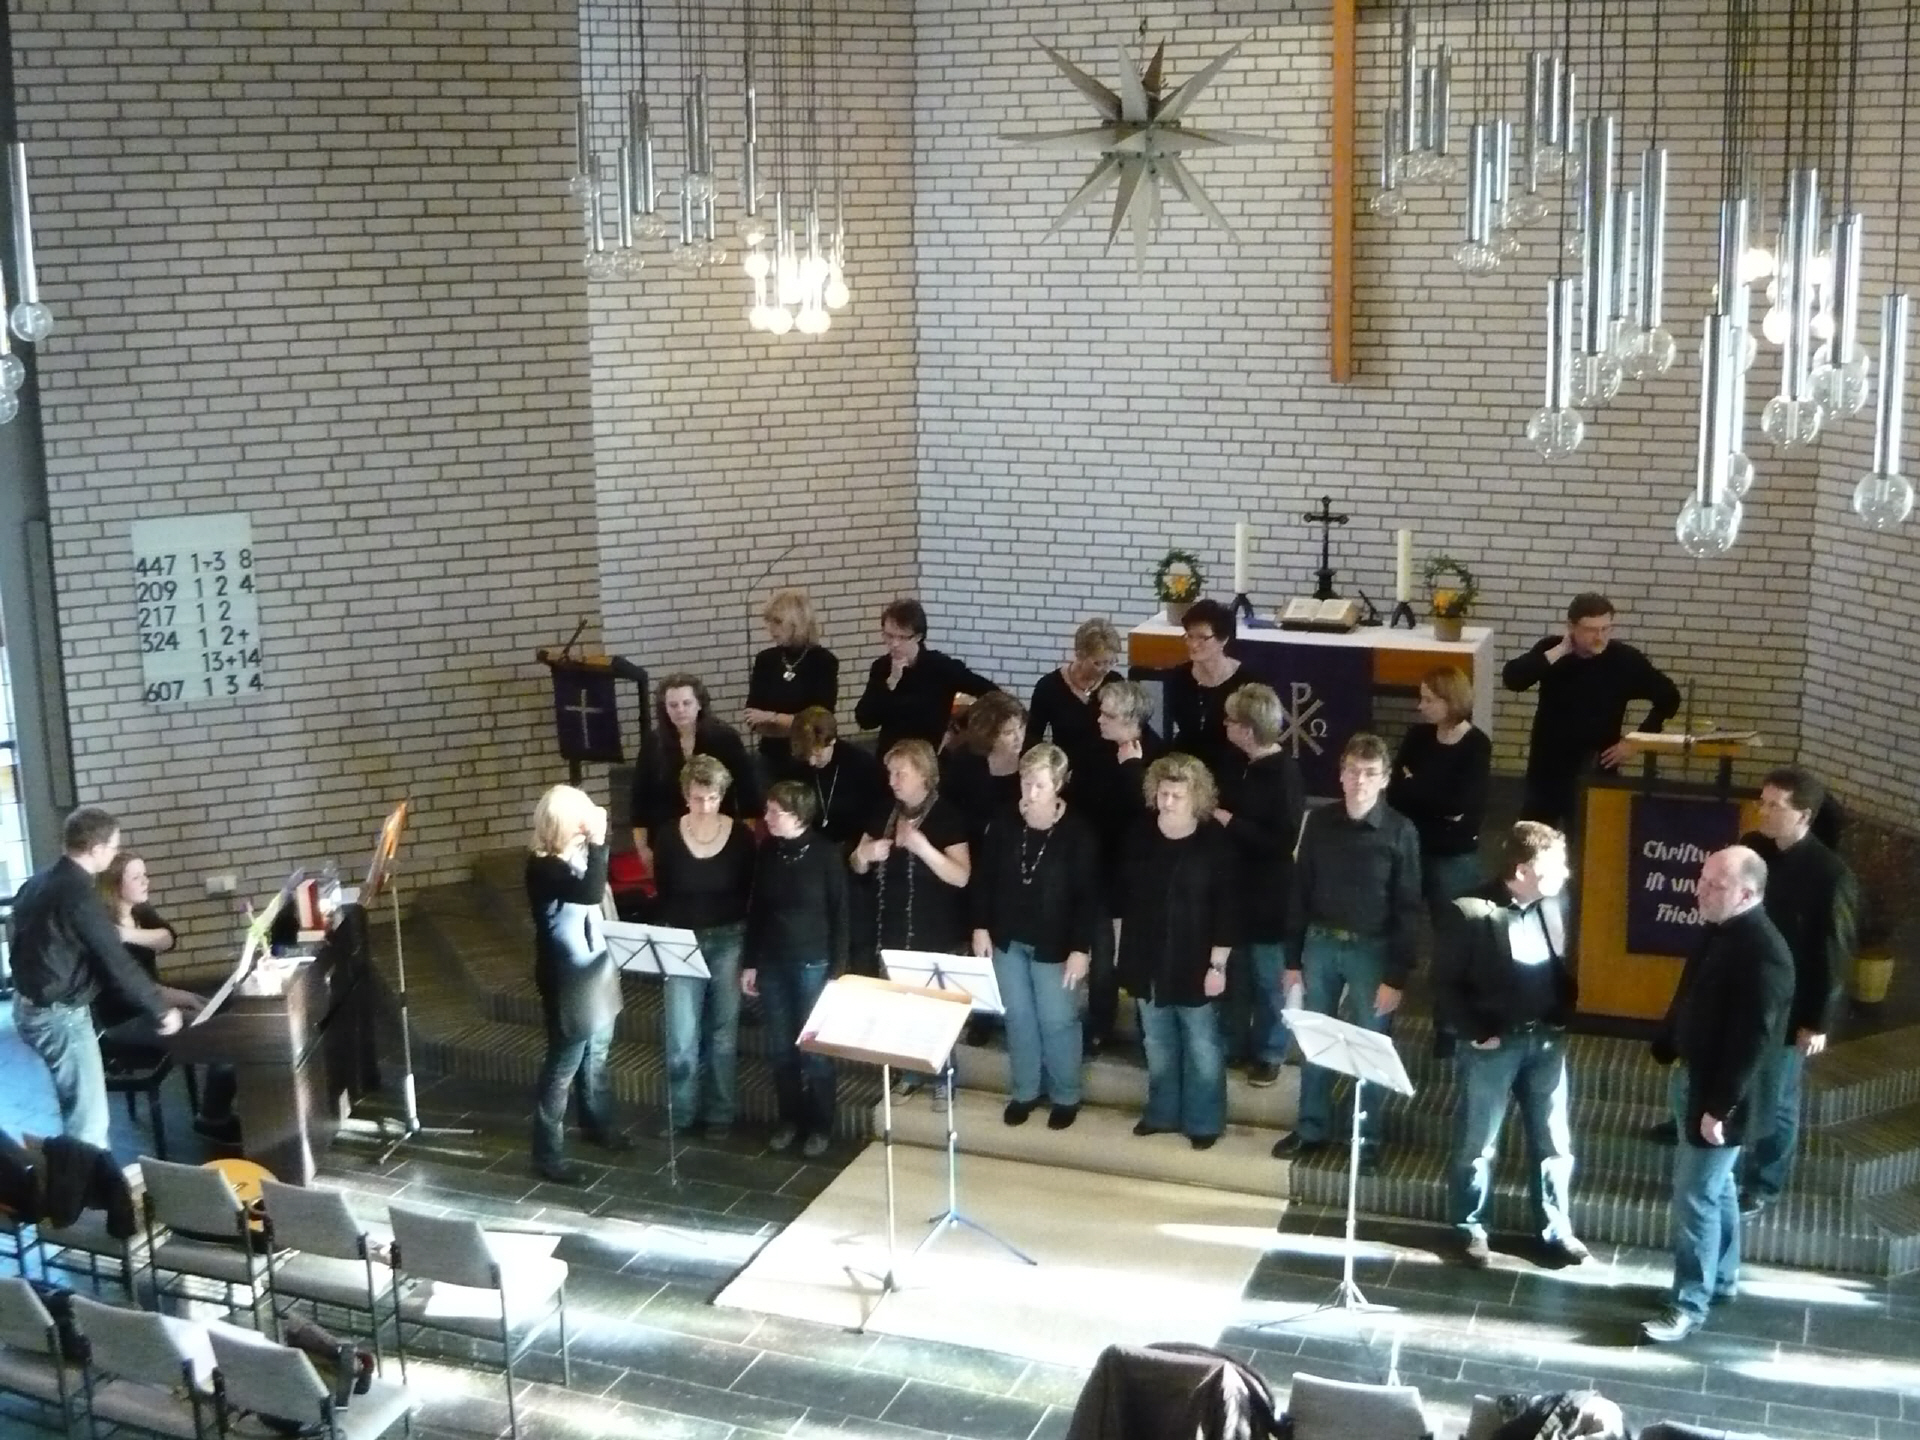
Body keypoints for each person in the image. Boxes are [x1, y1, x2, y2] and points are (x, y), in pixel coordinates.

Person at [1641, 846, 1794, 1344]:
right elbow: (1691, 993)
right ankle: (1721, 1277)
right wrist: (1670, 1039)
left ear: (1747, 894)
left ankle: (1689, 1303)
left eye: (1715, 885)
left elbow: (1752, 1042)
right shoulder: (1719, 928)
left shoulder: (1766, 953)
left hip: (1722, 1098)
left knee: (1696, 1197)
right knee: (1717, 1188)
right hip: (1696, 1078)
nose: (1700, 891)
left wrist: (1719, 1108)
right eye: (1701, 880)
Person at [1437, 822, 1589, 1269]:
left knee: (1554, 1142)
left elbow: (1564, 966)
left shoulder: (1555, 906)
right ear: (1522, 870)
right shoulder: (1470, 912)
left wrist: (1563, 1013)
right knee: (1478, 1142)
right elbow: (1444, 984)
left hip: (1545, 1041)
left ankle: (1556, 1230)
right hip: (1493, 1044)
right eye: (1554, 865)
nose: (1565, 873)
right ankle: (1470, 1227)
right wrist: (1475, 1031)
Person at [1274, 733, 1422, 1168]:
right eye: (1353, 771)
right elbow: (1299, 891)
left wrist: (1396, 976)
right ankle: (1310, 1128)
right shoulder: (1319, 823)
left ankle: (1366, 1140)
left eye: (1370, 773)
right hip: (1320, 944)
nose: (1360, 781)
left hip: (1371, 951)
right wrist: (1292, 960)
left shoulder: (1400, 831)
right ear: (1340, 775)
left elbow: (1409, 908)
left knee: (1371, 1046)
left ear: (1385, 779)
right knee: (1316, 1041)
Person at [10, 808, 181, 1150]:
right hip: (60, 1015)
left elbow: (18, 941)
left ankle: (77, 1175)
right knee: (90, 1124)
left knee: (78, 1109)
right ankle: (84, 1183)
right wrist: (160, 1009)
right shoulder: (79, 894)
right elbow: (115, 960)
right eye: (113, 847)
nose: (114, 854)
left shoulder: (38, 883)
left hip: (26, 1006)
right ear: (97, 849)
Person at [1737, 767, 1857, 1217]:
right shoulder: (1753, 848)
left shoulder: (1831, 875)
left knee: (1778, 1097)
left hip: (1790, 1006)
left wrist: (1816, 1022)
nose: (1762, 811)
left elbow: (1833, 955)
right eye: (1762, 801)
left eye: (1774, 805)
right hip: (1744, 990)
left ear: (1803, 815)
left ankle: (1764, 1183)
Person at [971, 743, 1100, 1130]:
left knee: (1057, 1020)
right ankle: (1025, 1091)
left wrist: (1080, 948)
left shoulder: (1078, 832)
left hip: (1056, 944)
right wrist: (980, 926)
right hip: (1008, 938)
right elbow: (985, 878)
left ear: (1058, 785)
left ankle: (1065, 1095)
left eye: (1039, 785)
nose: (1030, 792)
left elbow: (1087, 897)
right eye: (1025, 783)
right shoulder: (1005, 822)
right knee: (1018, 1019)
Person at [1117, 753, 1239, 1150]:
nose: (1167, 802)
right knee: (1157, 1041)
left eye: (1177, 796)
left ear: (1196, 797)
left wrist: (1218, 965)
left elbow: (1228, 907)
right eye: (1163, 793)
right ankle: (1162, 1112)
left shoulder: (1214, 840)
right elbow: (1125, 895)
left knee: (1202, 1044)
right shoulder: (1140, 833)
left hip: (1196, 958)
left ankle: (1204, 1121)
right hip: (1147, 954)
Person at [1502, 593, 1681, 828]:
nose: (1600, 637)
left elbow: (1669, 697)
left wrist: (1635, 742)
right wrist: (1559, 651)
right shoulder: (1551, 650)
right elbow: (1513, 679)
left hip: (1597, 766)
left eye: (1606, 629)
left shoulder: (1624, 660)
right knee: (1533, 838)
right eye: (1590, 630)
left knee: (1591, 837)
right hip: (1548, 767)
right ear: (1571, 627)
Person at [93, 854, 239, 1141]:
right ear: (115, 885)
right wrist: (181, 998)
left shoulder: (139, 912)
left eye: (144, 874)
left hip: (151, 1003)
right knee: (224, 1039)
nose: (146, 881)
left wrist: (126, 934)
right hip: (125, 1019)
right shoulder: (101, 927)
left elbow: (168, 938)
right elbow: (129, 992)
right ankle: (212, 1118)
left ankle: (217, 1108)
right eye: (136, 877)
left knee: (223, 1017)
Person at [525, 785, 626, 1184]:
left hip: (595, 968)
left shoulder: (576, 854)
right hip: (567, 977)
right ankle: (547, 1154)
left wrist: (595, 843)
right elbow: (588, 892)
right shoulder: (544, 866)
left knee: (597, 1052)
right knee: (563, 1065)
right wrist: (599, 842)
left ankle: (596, 1123)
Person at [652, 755, 757, 1137]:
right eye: (698, 798)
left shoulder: (741, 836)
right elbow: (663, 889)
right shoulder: (668, 835)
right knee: (681, 1036)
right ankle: (680, 1114)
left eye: (713, 798)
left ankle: (720, 1115)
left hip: (729, 938)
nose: (706, 806)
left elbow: (750, 891)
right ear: (686, 796)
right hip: (681, 940)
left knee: (723, 1034)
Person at [743, 781, 848, 1159]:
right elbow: (757, 910)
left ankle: (821, 1125)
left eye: (776, 812)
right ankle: (790, 1120)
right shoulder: (768, 851)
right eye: (768, 810)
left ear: (799, 815)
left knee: (814, 1050)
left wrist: (838, 971)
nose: (767, 817)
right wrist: (750, 962)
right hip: (772, 962)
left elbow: (840, 913)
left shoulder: (826, 854)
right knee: (780, 1049)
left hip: (813, 963)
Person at [1215, 684, 1305, 1088]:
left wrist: (1230, 822)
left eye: (1231, 720)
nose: (1225, 725)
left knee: (1269, 981)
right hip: (1236, 888)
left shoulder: (1283, 773)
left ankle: (1270, 1052)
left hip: (1269, 893)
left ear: (1249, 729)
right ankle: (1234, 1044)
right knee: (1236, 976)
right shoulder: (1240, 762)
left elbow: (1282, 840)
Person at [1082, 679, 1166, 1053]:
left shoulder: (1158, 755)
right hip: (1102, 869)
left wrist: (1131, 768)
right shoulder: (1095, 748)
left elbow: (1151, 815)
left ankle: (1149, 1034)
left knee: (1141, 955)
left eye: (1108, 715)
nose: (1099, 719)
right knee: (1102, 957)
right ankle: (1100, 1023)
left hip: (1142, 875)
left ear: (1132, 720)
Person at [1387, 665, 1492, 927]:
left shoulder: (1476, 744)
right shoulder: (1418, 736)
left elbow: (1459, 805)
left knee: (1454, 926)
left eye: (1428, 700)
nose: (1420, 706)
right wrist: (1433, 798)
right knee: (1399, 922)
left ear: (1450, 701)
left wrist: (1414, 783)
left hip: (1452, 853)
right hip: (1412, 845)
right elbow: (1394, 794)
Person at [629, 673, 760, 872]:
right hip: (670, 840)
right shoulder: (653, 743)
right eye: (673, 705)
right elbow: (639, 800)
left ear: (699, 704)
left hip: (718, 837)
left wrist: (744, 840)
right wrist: (643, 848)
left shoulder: (725, 738)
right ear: (665, 709)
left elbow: (748, 794)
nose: (680, 710)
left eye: (687, 703)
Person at [853, 739, 972, 955]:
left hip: (933, 935)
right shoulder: (883, 811)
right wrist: (863, 855)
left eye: (900, 774)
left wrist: (924, 849)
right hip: (884, 931)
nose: (892, 781)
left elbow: (961, 877)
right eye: (890, 773)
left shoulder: (947, 816)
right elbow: (856, 865)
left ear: (923, 774)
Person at [853, 599, 998, 759]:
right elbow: (865, 720)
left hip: (930, 757)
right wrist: (891, 682)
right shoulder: (881, 667)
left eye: (902, 637)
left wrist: (961, 725)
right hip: (891, 757)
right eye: (889, 636)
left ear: (918, 637)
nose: (894, 644)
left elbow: (991, 694)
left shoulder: (941, 667)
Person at [1151, 599, 1255, 790]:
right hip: (1185, 769)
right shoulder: (1179, 676)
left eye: (1202, 638)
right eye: (1189, 636)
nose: (1193, 644)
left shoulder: (1246, 682)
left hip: (1232, 772)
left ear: (1223, 640)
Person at [1025, 619, 1124, 798]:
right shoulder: (1049, 687)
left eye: (1111, 662)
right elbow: (1033, 737)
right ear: (1079, 655)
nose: (1105, 669)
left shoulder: (1115, 682)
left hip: (1109, 778)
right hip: (1068, 778)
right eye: (1098, 663)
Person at [744, 589, 840, 772]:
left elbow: (820, 720)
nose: (771, 629)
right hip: (770, 755)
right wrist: (794, 723)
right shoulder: (766, 660)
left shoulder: (822, 661)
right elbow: (752, 716)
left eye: (777, 622)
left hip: (810, 755)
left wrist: (772, 717)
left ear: (797, 623)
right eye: (769, 622)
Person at [783, 707, 889, 852]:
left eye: (817, 754)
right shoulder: (797, 766)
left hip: (854, 845)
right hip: (813, 846)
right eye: (807, 755)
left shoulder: (861, 764)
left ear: (832, 741)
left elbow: (879, 810)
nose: (812, 762)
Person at [941, 690, 1028, 847]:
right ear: (989, 735)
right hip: (975, 845)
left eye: (1021, 727)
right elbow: (950, 812)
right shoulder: (965, 761)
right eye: (1008, 732)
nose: (1019, 737)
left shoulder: (1032, 754)